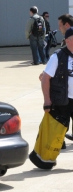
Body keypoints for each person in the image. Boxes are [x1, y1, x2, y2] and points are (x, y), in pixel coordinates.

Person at [30, 27, 73, 169]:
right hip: (62, 100)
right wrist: (47, 100)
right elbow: (45, 78)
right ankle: (44, 159)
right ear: (67, 40)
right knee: (55, 131)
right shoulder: (58, 56)